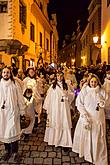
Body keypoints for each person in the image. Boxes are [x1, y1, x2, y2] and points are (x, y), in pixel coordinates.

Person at [72, 74, 108, 165]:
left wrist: (102, 103)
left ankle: (96, 154)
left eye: (95, 82)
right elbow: (79, 104)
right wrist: (84, 114)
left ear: (98, 82)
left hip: (98, 117)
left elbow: (107, 101)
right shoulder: (85, 91)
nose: (93, 83)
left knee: (97, 135)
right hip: (87, 116)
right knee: (87, 134)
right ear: (89, 82)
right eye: (92, 82)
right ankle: (86, 152)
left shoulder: (101, 91)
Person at [43, 71, 74, 151]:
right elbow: (49, 97)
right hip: (55, 108)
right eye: (58, 76)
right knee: (56, 122)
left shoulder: (66, 85)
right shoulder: (53, 86)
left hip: (64, 107)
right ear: (56, 77)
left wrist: (67, 95)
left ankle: (65, 142)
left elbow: (72, 94)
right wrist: (47, 108)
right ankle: (55, 140)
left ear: (63, 77)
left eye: (61, 76)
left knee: (64, 122)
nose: (59, 77)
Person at [0, 66, 26, 162]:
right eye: (4, 72)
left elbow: (20, 97)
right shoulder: (0, 84)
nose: (6, 74)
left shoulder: (15, 84)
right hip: (2, 113)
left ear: (10, 74)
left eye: (7, 72)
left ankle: (15, 151)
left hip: (13, 111)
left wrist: (22, 110)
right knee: (4, 131)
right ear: (1, 74)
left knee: (13, 131)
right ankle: (7, 150)